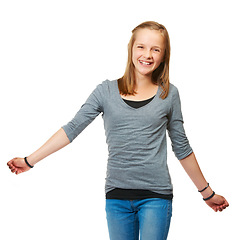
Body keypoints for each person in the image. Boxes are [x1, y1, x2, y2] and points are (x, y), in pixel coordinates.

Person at [7, 21, 229, 240]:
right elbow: (72, 129)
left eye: (156, 49)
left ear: (163, 56)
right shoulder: (105, 91)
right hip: (117, 198)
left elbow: (182, 148)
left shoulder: (168, 94)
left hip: (156, 197)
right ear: (131, 48)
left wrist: (206, 193)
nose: (147, 54)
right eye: (141, 46)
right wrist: (29, 161)